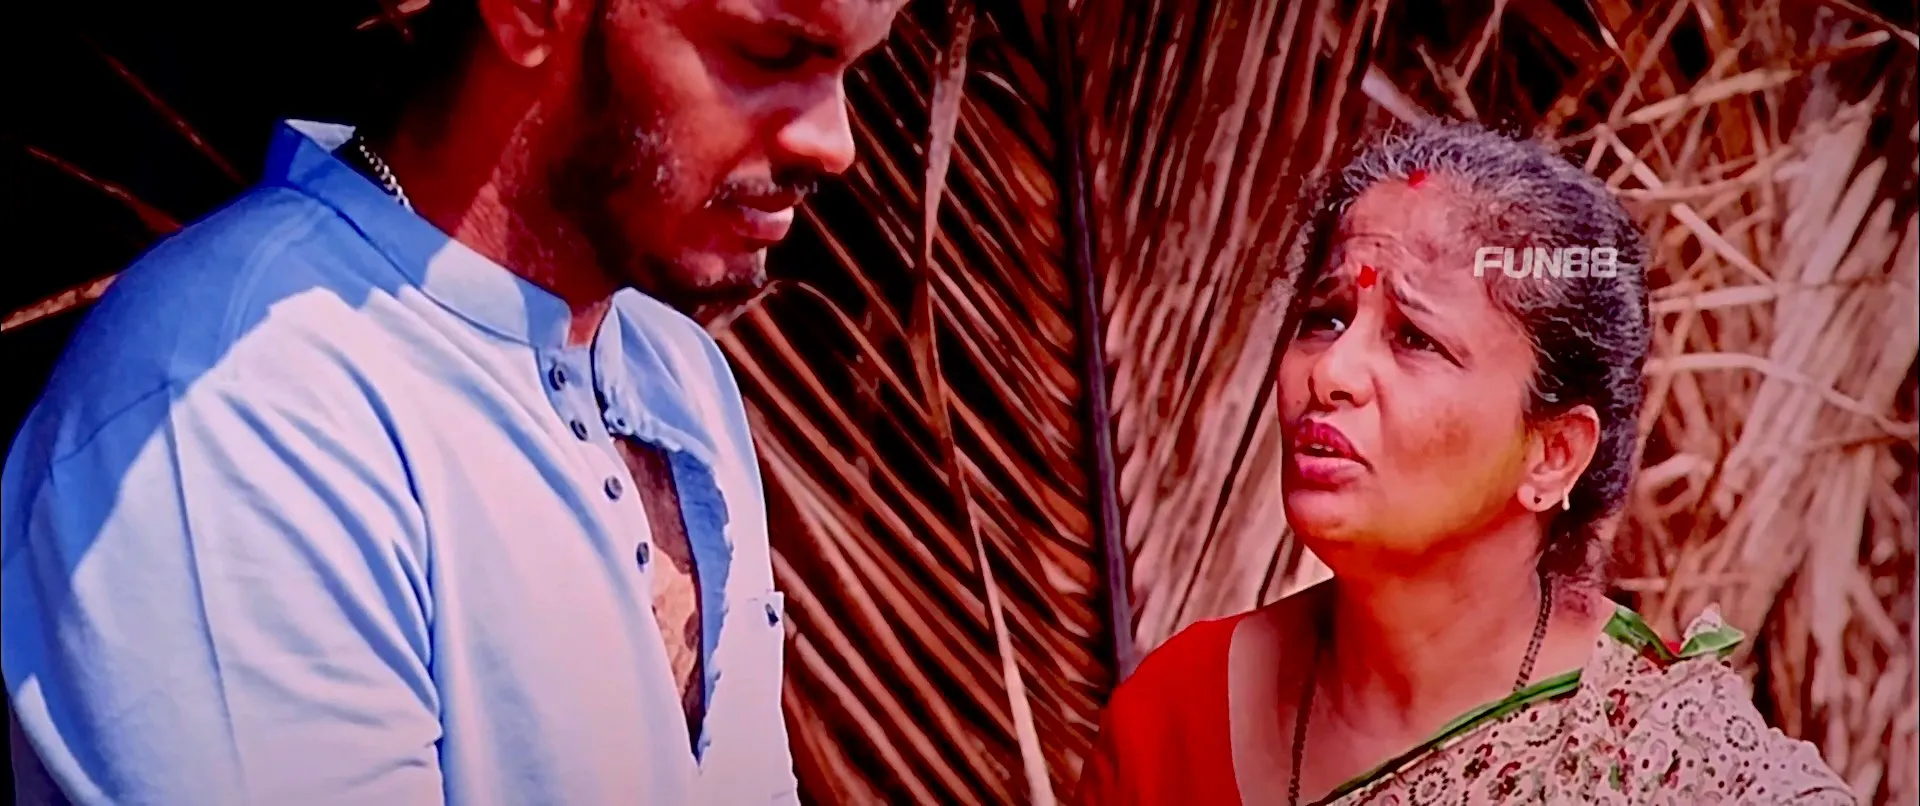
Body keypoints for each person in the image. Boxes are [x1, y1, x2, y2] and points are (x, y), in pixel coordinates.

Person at [2, 0, 904, 802]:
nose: (835, 142)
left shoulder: (678, 374)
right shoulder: (247, 411)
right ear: (530, 13)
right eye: (771, 53)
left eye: (851, 67)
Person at [1072, 121, 1853, 805]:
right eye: (1325, 318)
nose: (1331, 372)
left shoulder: (1666, 765)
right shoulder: (1175, 718)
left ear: (1552, 454)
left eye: (1415, 338)